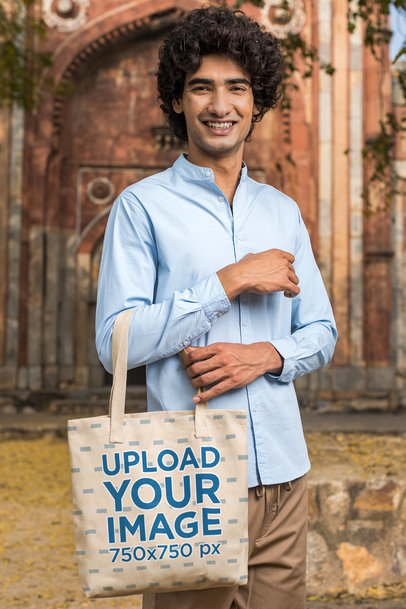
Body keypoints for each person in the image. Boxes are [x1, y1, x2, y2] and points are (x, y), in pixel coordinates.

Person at [95, 6, 337, 609]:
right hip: (185, 480)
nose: (219, 103)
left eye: (237, 87)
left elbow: (322, 331)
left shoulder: (282, 212)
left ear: (257, 103)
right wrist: (225, 283)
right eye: (201, 86)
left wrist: (266, 355)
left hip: (282, 475)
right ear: (177, 101)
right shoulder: (140, 208)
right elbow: (115, 343)